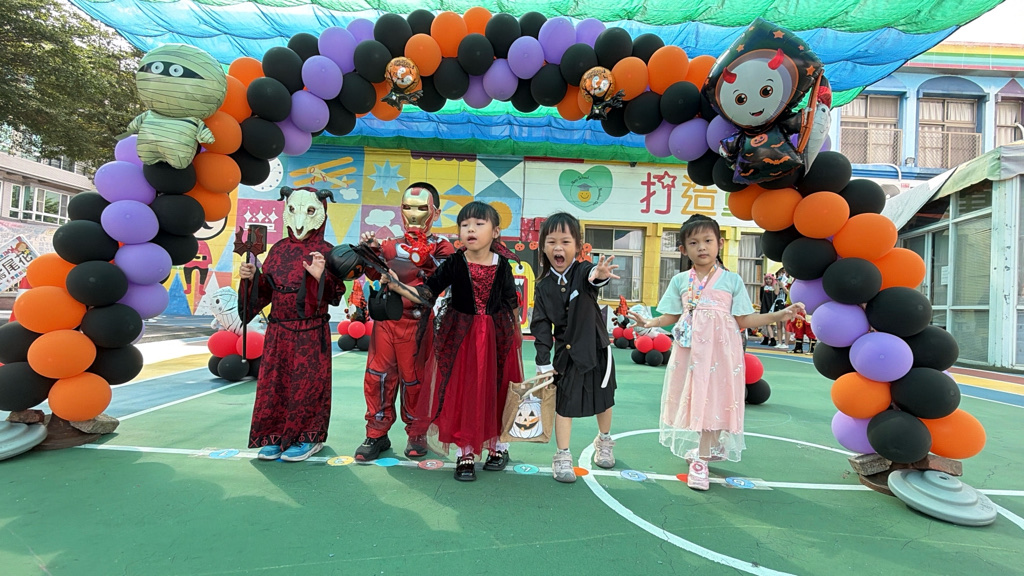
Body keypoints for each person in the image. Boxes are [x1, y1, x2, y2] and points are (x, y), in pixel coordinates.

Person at [629, 214, 802, 490]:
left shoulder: (732, 280)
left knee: (715, 396)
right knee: (696, 396)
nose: (702, 247)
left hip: (722, 351)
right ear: (683, 249)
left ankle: (701, 458)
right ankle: (703, 452)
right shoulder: (680, 280)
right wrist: (649, 323)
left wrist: (779, 315)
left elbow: (744, 319)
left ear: (719, 243)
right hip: (690, 352)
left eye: (708, 240)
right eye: (693, 242)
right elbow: (671, 315)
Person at [383, 201, 523, 482]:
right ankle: (465, 451)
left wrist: (514, 339)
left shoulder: (502, 265)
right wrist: (398, 286)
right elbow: (428, 292)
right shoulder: (455, 263)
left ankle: (498, 446)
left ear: (495, 232)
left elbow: (511, 303)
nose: (471, 230)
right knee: (464, 393)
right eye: (465, 225)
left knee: (496, 390)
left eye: (479, 224)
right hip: (462, 339)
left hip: (496, 340)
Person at [239, 187, 347, 462]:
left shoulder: (327, 252)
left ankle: (309, 437)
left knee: (308, 385)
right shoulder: (278, 250)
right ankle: (274, 435)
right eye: (294, 209)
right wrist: (251, 278)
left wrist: (321, 276)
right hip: (279, 331)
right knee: (275, 384)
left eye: (309, 210)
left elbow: (335, 295)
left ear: (321, 213)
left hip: (311, 332)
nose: (300, 219)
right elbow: (265, 291)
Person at [354, 182, 455, 461]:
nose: (413, 214)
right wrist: (368, 252)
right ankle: (376, 433)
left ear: (435, 212)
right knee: (377, 377)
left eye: (421, 208)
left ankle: (417, 433)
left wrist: (421, 257)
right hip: (387, 323)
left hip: (419, 324)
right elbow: (373, 275)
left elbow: (440, 281)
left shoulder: (443, 247)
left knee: (416, 381)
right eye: (408, 207)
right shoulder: (388, 245)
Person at [531, 213, 620, 483]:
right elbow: (541, 324)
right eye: (552, 242)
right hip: (566, 355)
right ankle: (562, 456)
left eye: (565, 241)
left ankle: (604, 440)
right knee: (564, 405)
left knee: (604, 400)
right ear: (543, 246)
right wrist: (543, 361)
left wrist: (600, 275)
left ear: (578, 246)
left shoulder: (583, 271)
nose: (558, 248)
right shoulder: (543, 286)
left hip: (596, 349)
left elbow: (594, 277)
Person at [758, 274, 778, 347]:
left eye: (770, 279)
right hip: (765, 306)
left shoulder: (774, 287)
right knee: (766, 323)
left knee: (770, 324)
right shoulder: (763, 287)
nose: (768, 280)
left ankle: (771, 338)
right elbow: (761, 297)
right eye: (766, 279)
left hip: (772, 307)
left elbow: (776, 294)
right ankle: (767, 338)